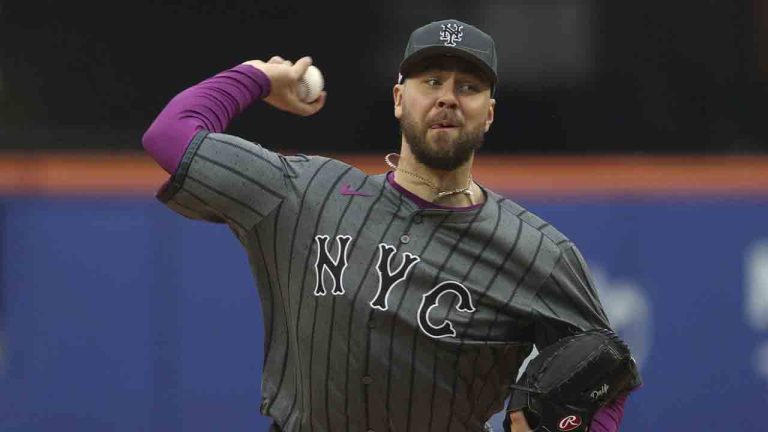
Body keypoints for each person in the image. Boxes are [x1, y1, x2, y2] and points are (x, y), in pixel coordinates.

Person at [142, 19, 640, 432]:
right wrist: (257, 76)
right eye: (431, 82)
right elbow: (170, 136)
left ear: (488, 114)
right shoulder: (302, 191)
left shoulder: (536, 252)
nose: (448, 98)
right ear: (400, 99)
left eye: (467, 87)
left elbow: (605, 373)